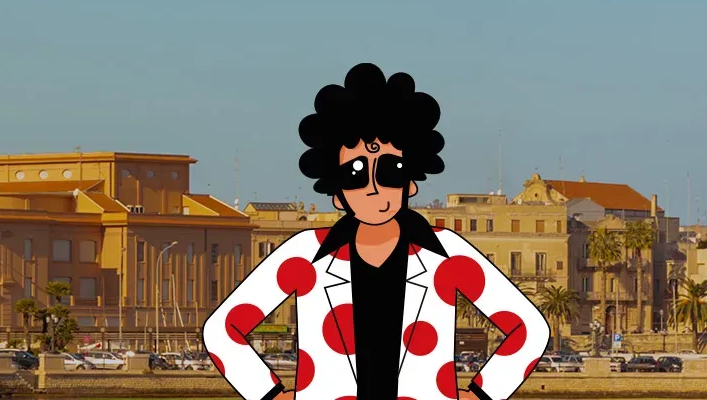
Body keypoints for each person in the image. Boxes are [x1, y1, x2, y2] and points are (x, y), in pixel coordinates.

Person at [202, 63, 547, 400]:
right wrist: (270, 394)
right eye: (355, 174)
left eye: (390, 170)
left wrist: (482, 393)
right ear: (337, 193)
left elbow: (528, 328)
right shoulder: (305, 254)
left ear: (410, 182)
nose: (373, 187)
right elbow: (223, 330)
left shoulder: (447, 254)